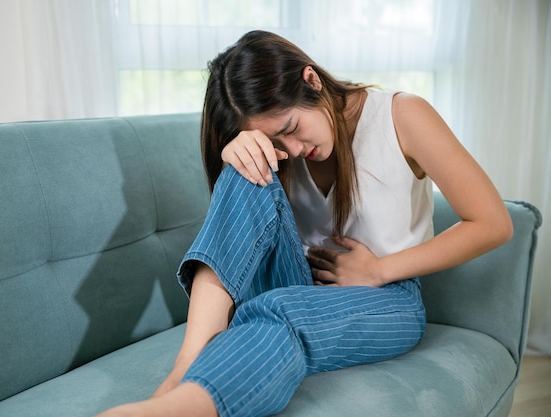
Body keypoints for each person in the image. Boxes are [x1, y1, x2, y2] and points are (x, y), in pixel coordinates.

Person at [96, 30, 513, 417]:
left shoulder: (403, 115)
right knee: (245, 167)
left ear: (311, 80)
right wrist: (242, 149)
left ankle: (180, 408)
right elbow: (245, 228)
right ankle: (185, 367)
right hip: (294, 280)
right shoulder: (279, 150)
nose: (294, 150)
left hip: (389, 299)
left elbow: (493, 223)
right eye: (278, 143)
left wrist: (379, 269)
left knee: (275, 310)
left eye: (291, 128)